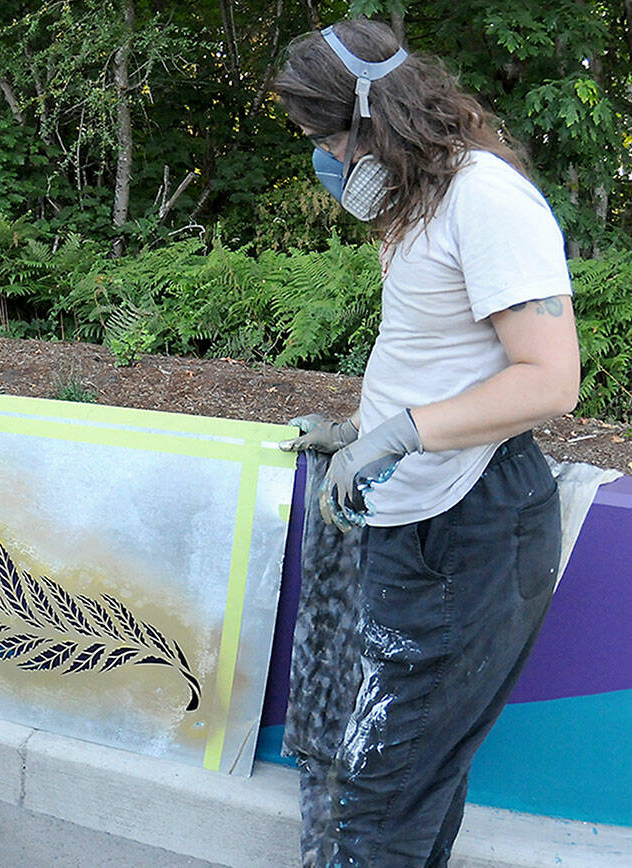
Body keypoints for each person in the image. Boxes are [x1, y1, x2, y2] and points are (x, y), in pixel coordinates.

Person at [273, 20, 580, 866]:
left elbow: (550, 379)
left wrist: (401, 436)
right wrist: (359, 433)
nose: (323, 159)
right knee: (407, 783)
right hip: (420, 518)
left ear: (371, 120)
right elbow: (438, 354)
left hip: (474, 522)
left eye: (325, 137)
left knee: (382, 791)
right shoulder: (424, 199)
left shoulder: (485, 196)